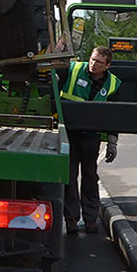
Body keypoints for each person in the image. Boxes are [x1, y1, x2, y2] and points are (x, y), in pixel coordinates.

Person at [53, 41, 121, 234]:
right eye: (92, 59)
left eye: (99, 62)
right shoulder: (74, 69)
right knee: (70, 177)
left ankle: (90, 219)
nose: (94, 64)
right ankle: (72, 219)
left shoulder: (113, 84)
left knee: (90, 177)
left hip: (91, 137)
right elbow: (53, 74)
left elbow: (114, 117)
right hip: (70, 133)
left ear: (107, 66)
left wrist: (112, 143)